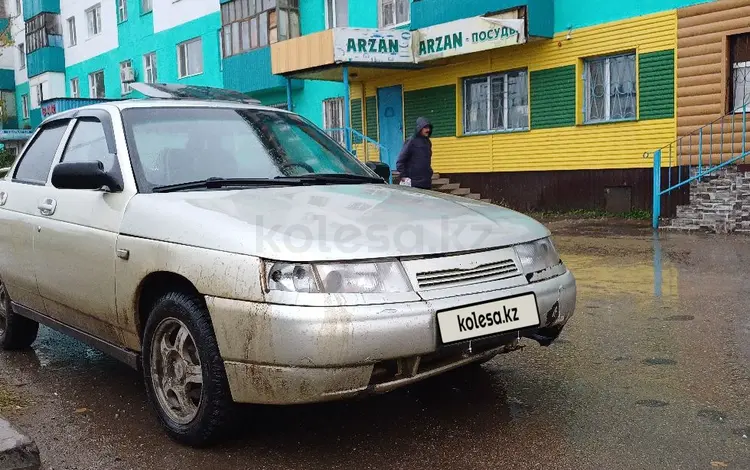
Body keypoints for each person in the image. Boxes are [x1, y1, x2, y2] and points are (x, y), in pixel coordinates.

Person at [396, 117, 433, 190]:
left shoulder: (428, 142)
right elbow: (400, 161)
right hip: (413, 182)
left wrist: (430, 172)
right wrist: (403, 176)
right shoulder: (411, 141)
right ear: (419, 128)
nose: (428, 130)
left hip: (426, 181)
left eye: (429, 128)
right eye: (425, 128)